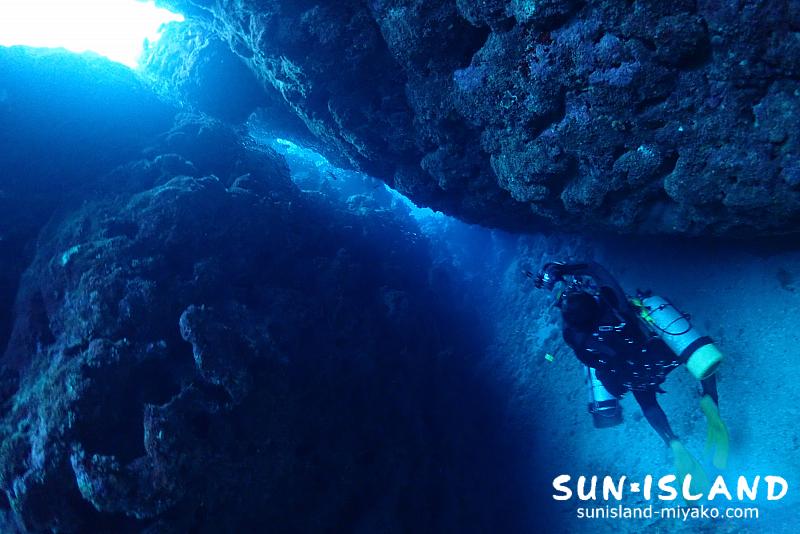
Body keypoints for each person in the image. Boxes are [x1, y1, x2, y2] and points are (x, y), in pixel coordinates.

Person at [534, 261, 729, 490]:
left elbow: (591, 360)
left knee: (647, 402)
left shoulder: (574, 337)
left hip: (629, 373)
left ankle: (673, 442)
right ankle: (710, 402)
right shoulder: (613, 303)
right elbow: (595, 269)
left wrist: (560, 298)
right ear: (592, 301)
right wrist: (564, 269)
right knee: (691, 355)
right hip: (656, 354)